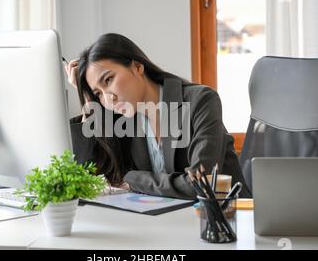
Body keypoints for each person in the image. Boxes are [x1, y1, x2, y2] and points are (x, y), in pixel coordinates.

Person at [65, 33, 251, 200]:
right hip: (170, 222)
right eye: (98, 93)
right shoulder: (123, 116)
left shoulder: (200, 100)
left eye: (108, 79)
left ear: (137, 66)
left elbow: (201, 184)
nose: (108, 98)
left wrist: (131, 179)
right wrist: (88, 99)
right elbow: (89, 176)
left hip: (226, 220)